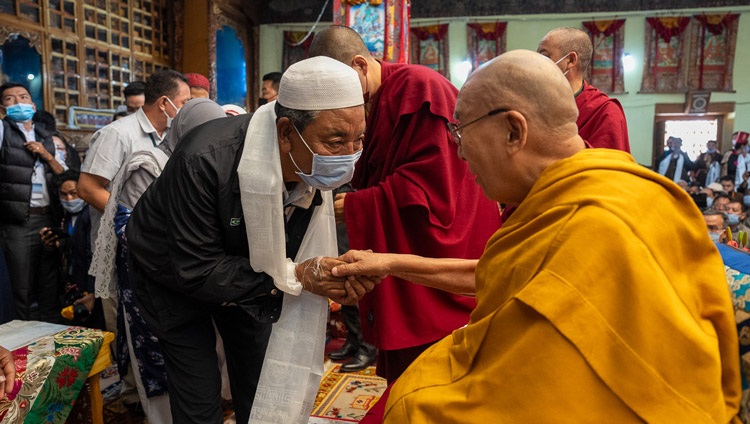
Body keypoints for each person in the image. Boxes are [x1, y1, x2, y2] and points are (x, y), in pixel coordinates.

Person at [335, 50, 741, 422]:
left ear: (514, 131)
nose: (457, 152)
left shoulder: (597, 223)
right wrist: (387, 262)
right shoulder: (600, 190)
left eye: (461, 132)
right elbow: (494, 274)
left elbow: (533, 391)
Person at [126, 56, 378, 424]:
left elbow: (291, 250)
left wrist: (330, 275)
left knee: (261, 381)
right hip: (172, 272)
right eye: (336, 140)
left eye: (358, 139)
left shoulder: (311, 161)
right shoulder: (204, 159)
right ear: (286, 132)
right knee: (199, 393)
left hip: (253, 271)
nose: (349, 155)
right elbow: (195, 268)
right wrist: (298, 276)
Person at [308, 25, 502, 383]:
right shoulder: (373, 100)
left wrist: (357, 205)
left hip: (444, 242)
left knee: (438, 378)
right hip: (405, 245)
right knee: (407, 381)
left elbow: (434, 184)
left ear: (360, 66)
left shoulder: (419, 88)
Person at [0, 82, 67, 321]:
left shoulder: (47, 136)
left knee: (50, 281)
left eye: (24, 97)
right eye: (10, 99)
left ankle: (50, 335)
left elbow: (65, 175)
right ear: (2, 108)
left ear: (33, 104)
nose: (19, 102)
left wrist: (46, 154)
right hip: (19, 220)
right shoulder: (3, 131)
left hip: (48, 217)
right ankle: (23, 344)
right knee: (22, 286)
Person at [537, 27, 630, 152]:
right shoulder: (534, 104)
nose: (537, 63)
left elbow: (606, 166)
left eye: (545, 56)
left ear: (570, 60)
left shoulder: (605, 111)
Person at [39, 170, 104, 330]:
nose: (69, 199)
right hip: (75, 283)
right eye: (64, 195)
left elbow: (92, 254)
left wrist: (92, 292)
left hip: (91, 287)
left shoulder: (90, 215)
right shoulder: (66, 217)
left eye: (74, 193)